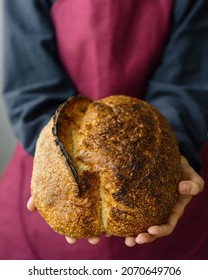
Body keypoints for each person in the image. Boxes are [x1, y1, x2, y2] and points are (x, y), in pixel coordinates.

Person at [0, 0, 207, 259]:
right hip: (47, 185)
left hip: (166, 172)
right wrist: (56, 169)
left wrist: (178, 144)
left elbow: (185, 83)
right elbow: (31, 87)